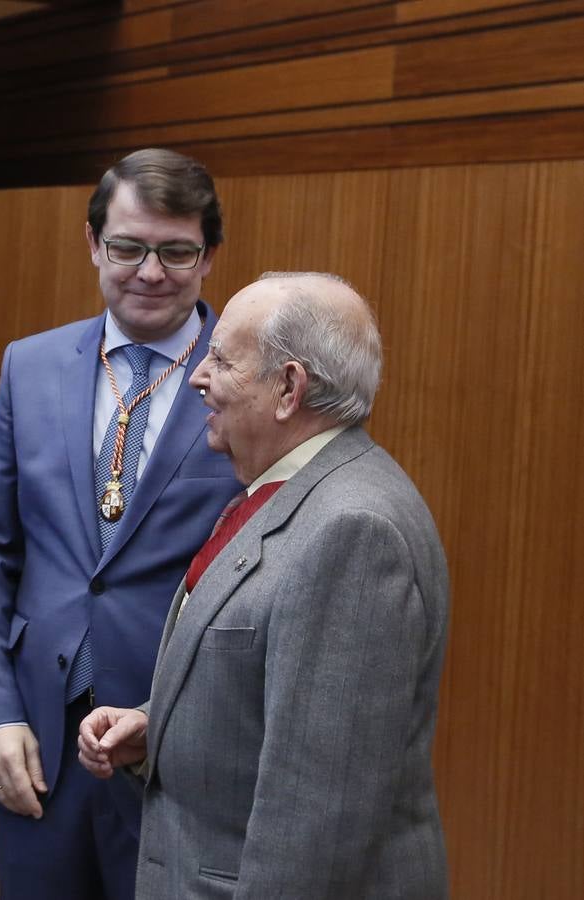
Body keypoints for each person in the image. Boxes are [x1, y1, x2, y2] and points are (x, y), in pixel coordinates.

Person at [80, 273, 450, 898]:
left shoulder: (351, 532)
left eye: (222, 360)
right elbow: (272, 694)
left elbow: (317, 822)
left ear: (287, 389)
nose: (198, 377)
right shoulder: (285, 489)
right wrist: (158, 727)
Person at [0, 148, 243, 897]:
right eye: (126, 247)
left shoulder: (247, 384)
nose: (149, 271)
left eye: (175, 250)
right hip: (39, 742)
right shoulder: (31, 364)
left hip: (174, 750)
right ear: (93, 245)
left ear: (208, 256)